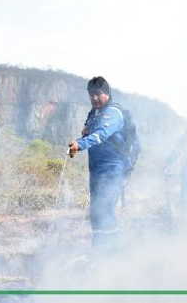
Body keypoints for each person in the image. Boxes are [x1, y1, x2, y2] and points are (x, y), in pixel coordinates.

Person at [68, 76, 127, 250]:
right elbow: (88, 134)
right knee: (96, 212)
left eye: (98, 94)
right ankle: (100, 251)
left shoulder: (113, 113)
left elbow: (100, 134)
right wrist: (78, 141)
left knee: (105, 210)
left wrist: (80, 145)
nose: (94, 98)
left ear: (107, 94)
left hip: (112, 168)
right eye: (91, 95)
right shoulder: (94, 113)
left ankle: (111, 253)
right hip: (96, 169)